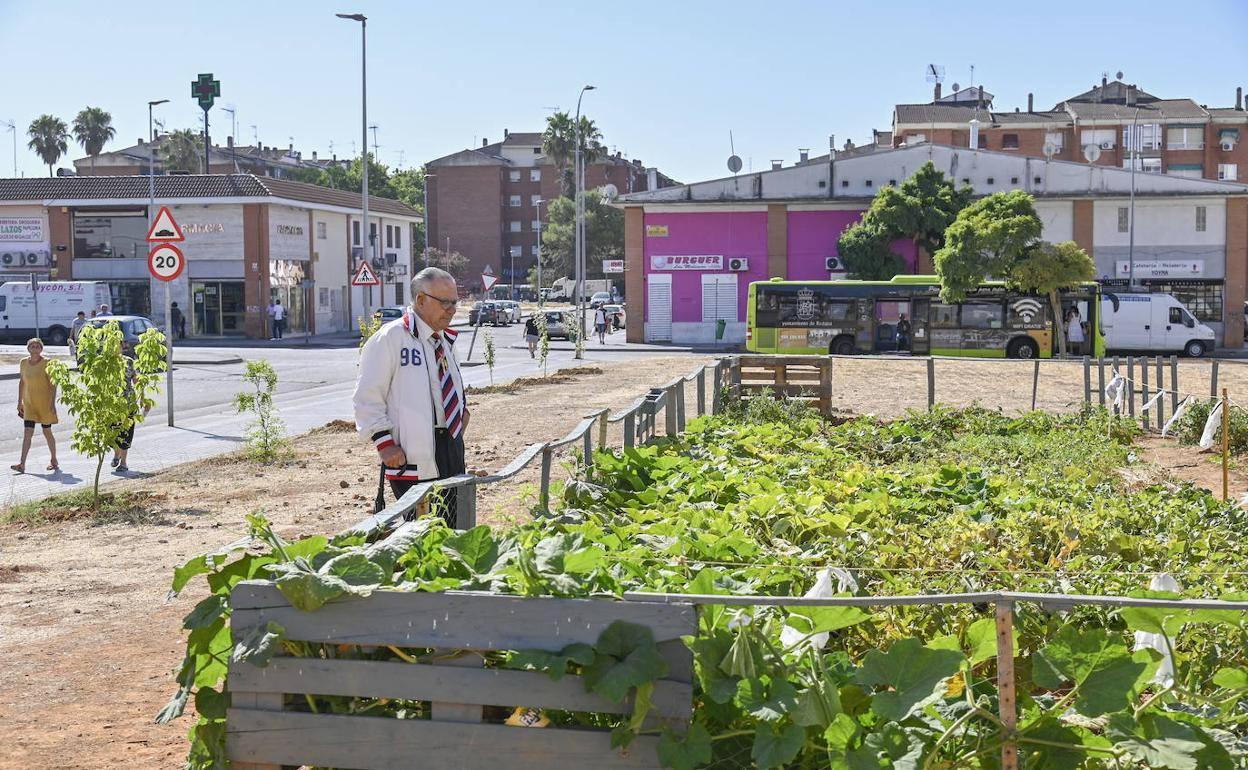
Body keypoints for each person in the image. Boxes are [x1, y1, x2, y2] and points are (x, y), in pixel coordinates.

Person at [354, 267, 470, 525]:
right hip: (410, 453)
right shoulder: (391, 338)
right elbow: (367, 396)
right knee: (423, 529)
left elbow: (452, 382)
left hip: (450, 446)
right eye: (446, 302)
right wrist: (384, 443)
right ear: (421, 300)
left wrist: (463, 409)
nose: (452, 309)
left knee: (454, 524)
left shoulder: (445, 340)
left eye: (455, 302)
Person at [11, 338, 59, 474]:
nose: (35, 348)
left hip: (44, 403)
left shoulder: (47, 363)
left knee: (47, 431)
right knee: (27, 432)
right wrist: (19, 401)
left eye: (37, 346)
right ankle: (22, 464)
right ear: (28, 348)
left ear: (41, 349)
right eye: (32, 346)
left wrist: (52, 403)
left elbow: (53, 385)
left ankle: (54, 460)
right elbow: (22, 382)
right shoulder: (23, 362)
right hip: (29, 403)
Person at [110, 342, 146, 473]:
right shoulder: (105, 363)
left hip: (128, 402)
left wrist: (142, 397)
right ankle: (116, 452)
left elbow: (136, 381)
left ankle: (123, 462)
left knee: (126, 432)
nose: (114, 348)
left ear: (121, 347)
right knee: (112, 431)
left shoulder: (129, 362)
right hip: (111, 404)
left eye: (116, 345)